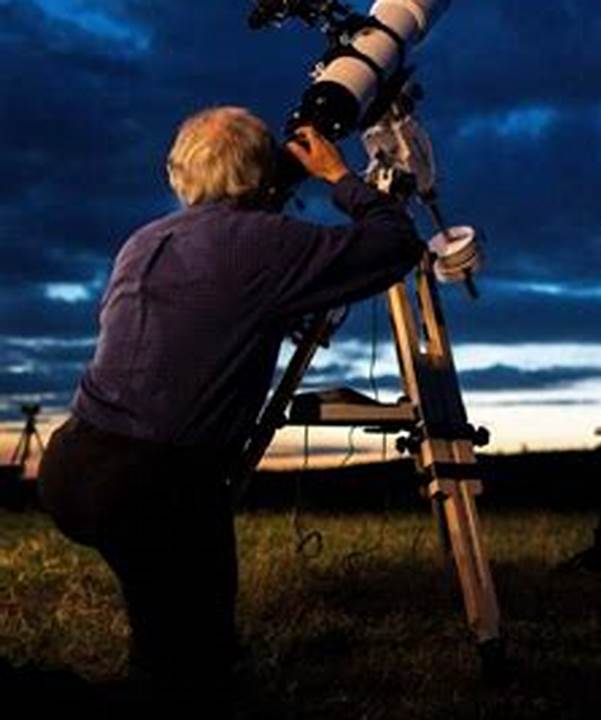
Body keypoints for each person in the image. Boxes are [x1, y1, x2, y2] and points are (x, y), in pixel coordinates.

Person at [36, 106, 422, 712]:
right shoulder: (266, 244)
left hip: (73, 465)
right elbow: (396, 243)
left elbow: (188, 326)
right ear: (266, 174)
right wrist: (336, 176)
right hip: (155, 487)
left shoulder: (144, 240)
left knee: (169, 631)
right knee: (196, 681)